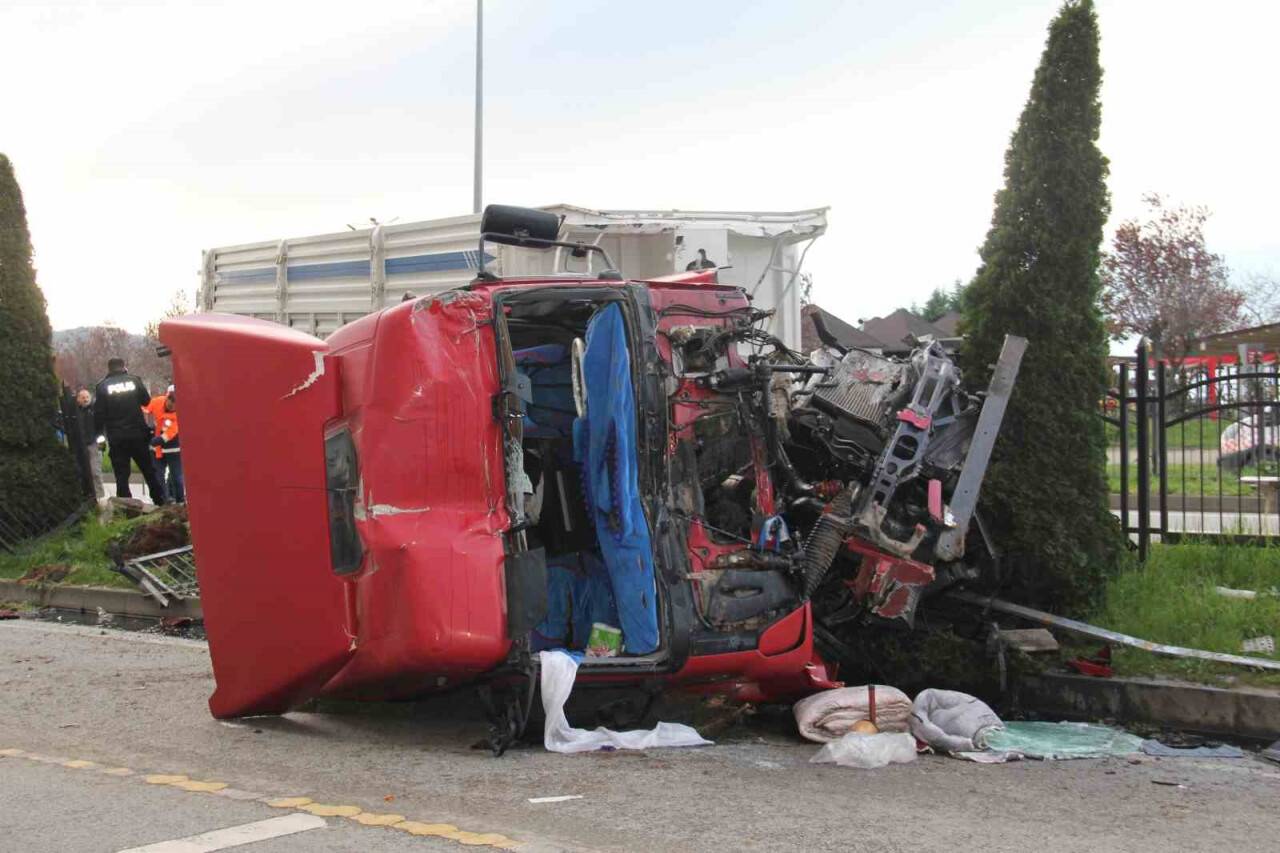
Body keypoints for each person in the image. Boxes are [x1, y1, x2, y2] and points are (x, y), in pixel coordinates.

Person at [94, 357, 166, 504]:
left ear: (109, 368)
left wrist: (100, 439)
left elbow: (99, 415)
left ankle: (127, 507)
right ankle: (160, 501)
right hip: (138, 434)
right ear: (124, 367)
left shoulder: (102, 386)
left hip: (117, 437)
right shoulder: (134, 380)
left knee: (121, 474)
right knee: (148, 470)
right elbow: (146, 401)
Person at [145, 384, 183, 503]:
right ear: (167, 399)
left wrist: (153, 440)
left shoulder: (180, 414)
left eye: (173, 408)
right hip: (156, 450)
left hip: (173, 449)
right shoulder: (157, 401)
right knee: (158, 476)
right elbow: (145, 409)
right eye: (169, 405)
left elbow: (170, 434)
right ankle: (164, 500)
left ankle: (180, 500)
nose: (171, 408)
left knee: (177, 477)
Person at [74, 389, 105, 499]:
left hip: (93, 444)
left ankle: (99, 496)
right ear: (78, 399)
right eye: (83, 397)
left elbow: (101, 427)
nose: (86, 399)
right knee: (82, 471)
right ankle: (87, 495)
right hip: (81, 445)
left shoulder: (95, 410)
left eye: (87, 396)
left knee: (95, 471)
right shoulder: (75, 412)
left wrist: (101, 444)